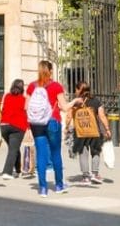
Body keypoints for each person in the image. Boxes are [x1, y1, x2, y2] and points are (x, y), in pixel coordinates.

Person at [26, 60, 81, 198]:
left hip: (37, 123)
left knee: (41, 154)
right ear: (50, 71)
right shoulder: (56, 86)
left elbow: (26, 107)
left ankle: (43, 188)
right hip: (52, 121)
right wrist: (75, 101)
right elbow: (63, 107)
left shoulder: (32, 86)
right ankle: (59, 184)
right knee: (56, 153)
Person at [64, 81, 110, 185]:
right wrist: (107, 129)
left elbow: (69, 116)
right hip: (94, 131)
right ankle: (94, 174)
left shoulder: (76, 102)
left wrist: (66, 127)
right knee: (95, 151)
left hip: (80, 131)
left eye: (76, 89)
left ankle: (85, 176)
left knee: (83, 153)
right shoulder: (95, 101)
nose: (75, 91)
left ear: (80, 90)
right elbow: (102, 116)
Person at [0, 78, 28, 180]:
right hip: (18, 126)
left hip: (4, 125)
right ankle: (7, 172)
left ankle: (18, 170)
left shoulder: (6, 96)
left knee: (14, 148)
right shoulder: (24, 99)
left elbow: (2, 109)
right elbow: (26, 112)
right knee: (13, 149)